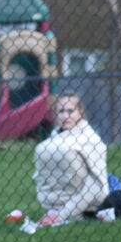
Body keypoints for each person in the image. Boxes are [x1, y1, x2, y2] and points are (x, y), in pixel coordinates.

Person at [32, 92, 109, 227]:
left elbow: (95, 187)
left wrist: (61, 215)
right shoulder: (53, 140)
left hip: (87, 205)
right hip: (56, 205)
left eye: (70, 111)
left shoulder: (91, 140)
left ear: (80, 112)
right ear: (55, 114)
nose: (65, 116)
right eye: (61, 111)